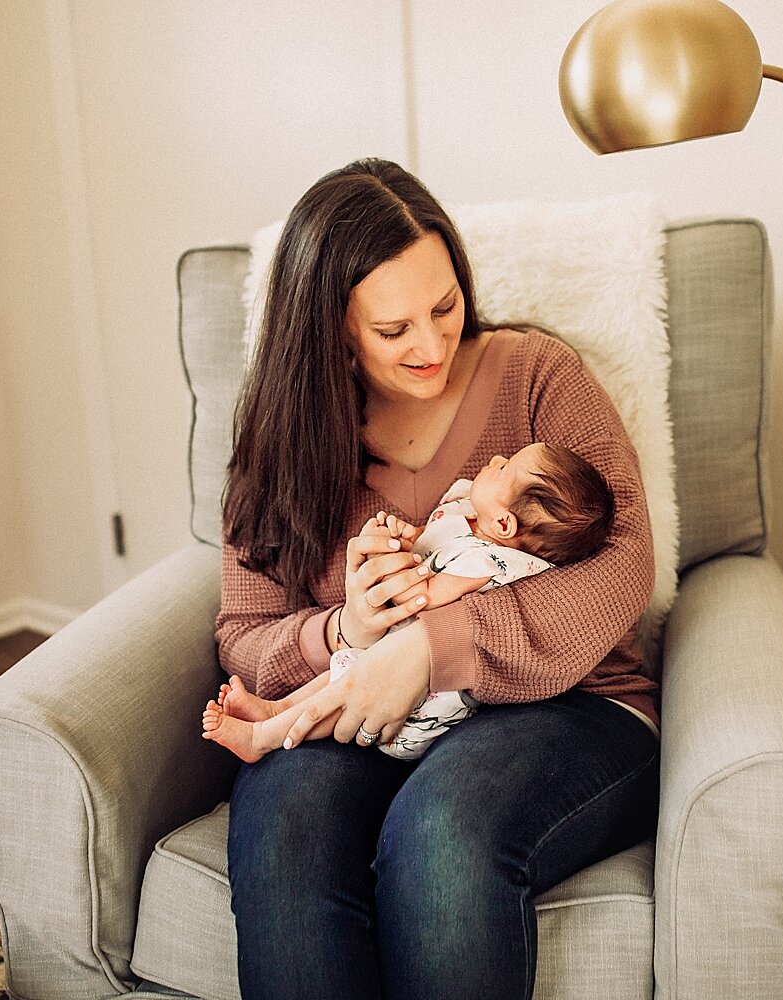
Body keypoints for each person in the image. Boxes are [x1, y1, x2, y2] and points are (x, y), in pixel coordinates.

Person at [218, 157, 659, 1000]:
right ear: (332, 331)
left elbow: (622, 560)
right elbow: (243, 635)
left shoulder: (537, 377)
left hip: (566, 706)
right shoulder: (281, 442)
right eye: (393, 331)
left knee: (443, 831)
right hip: (357, 716)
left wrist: (432, 645)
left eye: (445, 306)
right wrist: (345, 632)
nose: (432, 345)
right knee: (283, 837)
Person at [202, 440, 614, 762]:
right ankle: (273, 709)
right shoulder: (472, 512)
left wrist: (386, 578)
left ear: (505, 523)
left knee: (337, 691)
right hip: (386, 657)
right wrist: (401, 538)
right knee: (337, 674)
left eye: (504, 468)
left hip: (418, 702)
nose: (496, 458)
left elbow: (423, 594)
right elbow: (429, 538)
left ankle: (262, 738)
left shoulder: (486, 562)